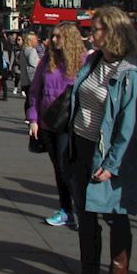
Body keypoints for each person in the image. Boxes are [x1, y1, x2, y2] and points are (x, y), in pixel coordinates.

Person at [61, 6, 137, 274]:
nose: (90, 35)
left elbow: (127, 125)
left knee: (115, 216)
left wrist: (112, 164)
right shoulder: (93, 61)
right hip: (80, 145)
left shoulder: (129, 73)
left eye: (95, 30)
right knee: (85, 215)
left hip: (105, 153)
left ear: (112, 32)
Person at [27, 23, 85, 228]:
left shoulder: (82, 62)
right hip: (47, 120)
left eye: (58, 36)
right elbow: (35, 91)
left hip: (70, 122)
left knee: (66, 165)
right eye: (53, 36)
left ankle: (80, 211)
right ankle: (66, 210)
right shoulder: (47, 60)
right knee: (59, 168)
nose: (53, 40)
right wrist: (33, 119)